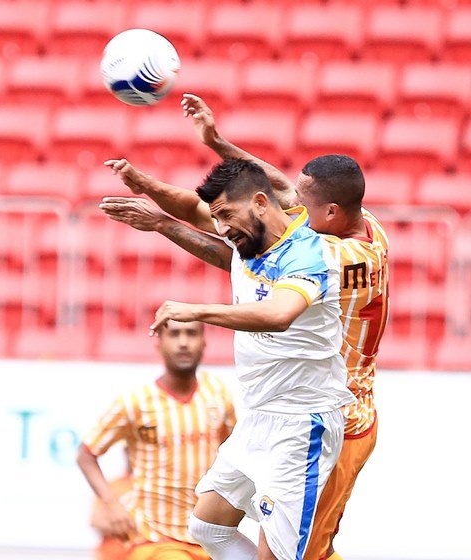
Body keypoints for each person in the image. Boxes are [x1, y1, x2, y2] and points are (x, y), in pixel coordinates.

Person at [101, 93, 389, 560]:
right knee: (212, 527)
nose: (291, 203)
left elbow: (239, 256)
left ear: (331, 212)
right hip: (271, 409)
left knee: (303, 552)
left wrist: (187, 290)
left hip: (335, 410)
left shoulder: (329, 256)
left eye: (302, 202)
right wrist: (217, 143)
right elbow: (270, 188)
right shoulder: (360, 224)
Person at [128, 158, 354, 560]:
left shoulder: (307, 253)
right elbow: (190, 207)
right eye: (217, 219)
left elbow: (279, 316)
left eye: (227, 216)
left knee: (282, 555)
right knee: (208, 525)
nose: (221, 228)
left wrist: (196, 311)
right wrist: (143, 184)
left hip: (301, 425)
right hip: (257, 418)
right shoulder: (249, 238)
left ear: (262, 202)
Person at [78, 319, 236, 560]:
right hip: (154, 539)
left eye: (191, 334)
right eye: (174, 335)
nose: (183, 343)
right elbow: (86, 454)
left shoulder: (218, 395)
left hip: (207, 537)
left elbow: (232, 452)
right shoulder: (136, 402)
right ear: (159, 344)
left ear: (204, 342)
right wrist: (112, 505)